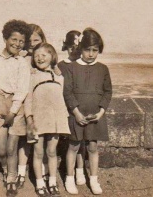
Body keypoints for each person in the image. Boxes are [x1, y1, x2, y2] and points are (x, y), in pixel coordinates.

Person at [63, 28, 112, 195]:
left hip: (95, 116)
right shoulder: (72, 67)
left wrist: (101, 112)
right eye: (87, 49)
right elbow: (67, 92)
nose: (91, 54)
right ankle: (70, 178)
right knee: (73, 146)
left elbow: (107, 91)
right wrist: (76, 113)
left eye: (95, 50)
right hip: (76, 114)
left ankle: (93, 178)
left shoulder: (103, 69)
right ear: (81, 49)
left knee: (92, 147)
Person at [0, 19, 32, 197]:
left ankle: (11, 179)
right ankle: (6, 170)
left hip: (16, 105)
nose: (17, 44)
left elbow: (22, 89)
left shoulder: (22, 62)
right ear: (5, 38)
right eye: (14, 39)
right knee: (1, 149)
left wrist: (13, 111)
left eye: (21, 41)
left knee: (11, 148)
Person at [25, 43, 70, 197]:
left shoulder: (58, 76)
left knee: (52, 152)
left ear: (52, 57)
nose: (39, 58)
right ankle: (39, 183)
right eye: (36, 56)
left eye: (44, 55)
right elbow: (28, 100)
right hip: (38, 120)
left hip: (55, 120)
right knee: (37, 153)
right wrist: (29, 120)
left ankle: (52, 181)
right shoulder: (32, 76)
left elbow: (61, 98)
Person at [16, 23, 48, 189]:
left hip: (41, 105)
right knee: (25, 139)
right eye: (30, 40)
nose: (33, 43)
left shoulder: (45, 57)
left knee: (40, 140)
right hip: (25, 103)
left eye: (37, 39)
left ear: (43, 40)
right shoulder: (23, 59)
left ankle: (41, 170)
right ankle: (21, 172)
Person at [58, 30, 86, 186]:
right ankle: (70, 173)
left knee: (82, 141)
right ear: (66, 47)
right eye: (71, 47)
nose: (74, 51)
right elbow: (64, 89)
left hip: (83, 107)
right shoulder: (62, 65)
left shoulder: (83, 64)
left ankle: (80, 170)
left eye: (77, 47)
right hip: (68, 108)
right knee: (74, 141)